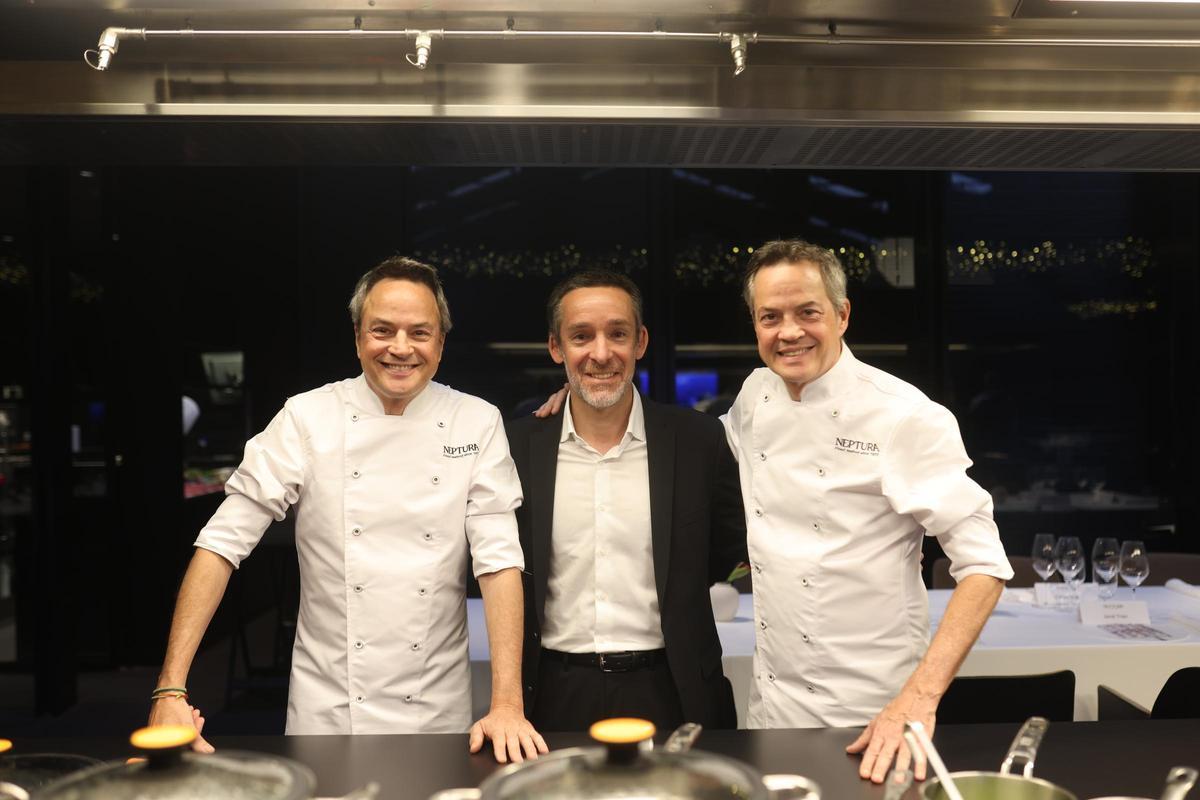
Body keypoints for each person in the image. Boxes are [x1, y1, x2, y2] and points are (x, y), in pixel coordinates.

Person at [148, 256, 546, 763]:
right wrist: (170, 689)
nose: (400, 348)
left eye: (419, 332)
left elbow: (498, 562)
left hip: (434, 706)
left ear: (441, 343)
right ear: (358, 336)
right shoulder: (307, 416)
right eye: (383, 330)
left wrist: (507, 703)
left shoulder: (476, 420)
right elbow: (222, 544)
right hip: (329, 705)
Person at [727, 239, 1012, 782]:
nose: (789, 332)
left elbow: (984, 565)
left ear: (842, 315)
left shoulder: (904, 416)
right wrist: (575, 405)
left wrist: (918, 699)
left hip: (873, 713)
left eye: (807, 312)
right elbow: (704, 449)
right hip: (772, 705)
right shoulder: (754, 394)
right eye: (770, 317)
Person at [506, 269, 746, 732]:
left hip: (675, 693)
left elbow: (730, 554)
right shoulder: (516, 448)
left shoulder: (699, 442)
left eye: (617, 333)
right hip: (551, 693)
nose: (601, 353)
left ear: (641, 342)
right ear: (557, 348)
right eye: (581, 336)